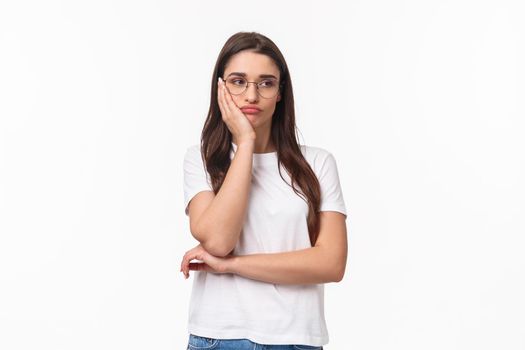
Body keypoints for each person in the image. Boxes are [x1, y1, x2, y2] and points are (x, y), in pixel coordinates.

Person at [180, 31, 348, 350]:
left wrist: (231, 265)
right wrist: (245, 142)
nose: (251, 96)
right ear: (220, 87)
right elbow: (218, 240)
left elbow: (331, 263)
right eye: (238, 81)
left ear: (280, 92)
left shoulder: (318, 163)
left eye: (266, 83)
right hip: (221, 336)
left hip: (297, 338)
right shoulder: (201, 159)